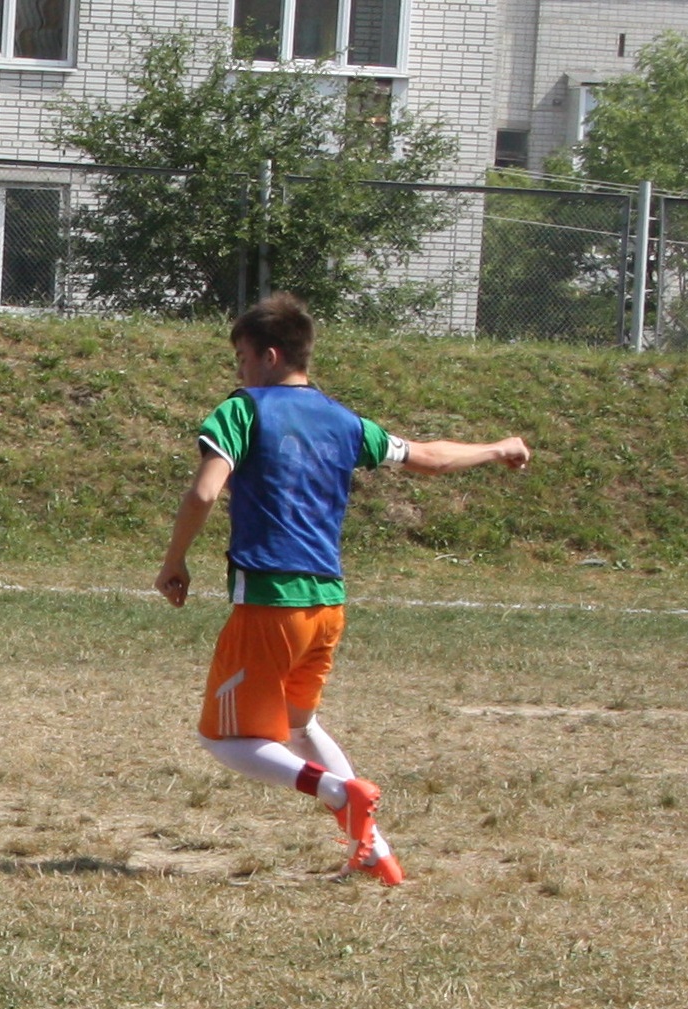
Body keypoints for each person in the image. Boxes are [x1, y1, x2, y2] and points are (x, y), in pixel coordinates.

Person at [154, 293, 530, 885]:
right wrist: (498, 448)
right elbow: (429, 459)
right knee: (298, 727)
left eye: (242, 358)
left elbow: (204, 492)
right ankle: (374, 851)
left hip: (271, 603)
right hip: (328, 605)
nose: (239, 372)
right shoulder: (345, 421)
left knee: (223, 739)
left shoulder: (243, 410)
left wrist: (174, 560)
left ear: (269, 355)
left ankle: (335, 790)